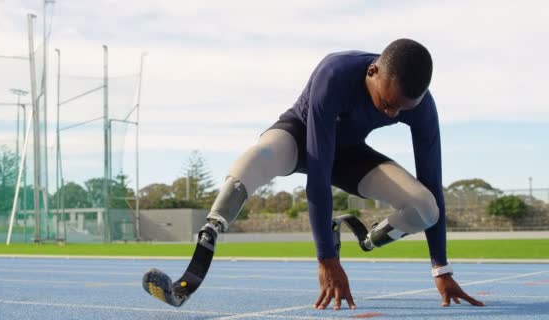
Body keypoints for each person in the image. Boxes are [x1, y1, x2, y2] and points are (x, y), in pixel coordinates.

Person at [203, 38, 485, 310]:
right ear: (372, 71)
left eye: (401, 110)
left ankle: (369, 239)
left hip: (348, 155)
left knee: (426, 208)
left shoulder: (421, 106)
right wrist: (327, 258)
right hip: (296, 139)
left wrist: (441, 268)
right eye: (387, 104)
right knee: (260, 155)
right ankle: (212, 228)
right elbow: (318, 179)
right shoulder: (335, 73)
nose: (391, 114)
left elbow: (432, 181)